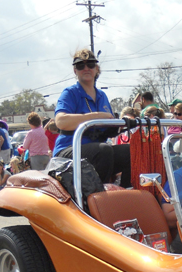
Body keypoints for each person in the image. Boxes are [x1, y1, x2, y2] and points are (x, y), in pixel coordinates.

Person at [53, 48, 131, 187]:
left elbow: (108, 127)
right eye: (80, 65)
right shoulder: (70, 93)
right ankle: (96, 200)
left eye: (90, 64)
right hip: (68, 150)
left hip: (97, 152)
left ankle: (126, 195)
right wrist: (97, 116)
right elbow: (61, 121)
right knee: (103, 151)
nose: (86, 68)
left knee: (129, 151)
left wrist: (123, 124)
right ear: (75, 70)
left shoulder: (102, 96)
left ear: (96, 68)